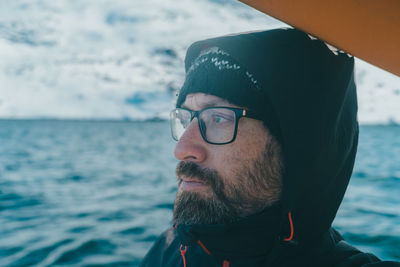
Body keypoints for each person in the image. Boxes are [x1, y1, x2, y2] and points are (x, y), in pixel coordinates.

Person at [141, 28, 399, 267]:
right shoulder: (171, 249)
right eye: (185, 118)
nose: (182, 149)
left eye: (219, 118)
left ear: (296, 145)